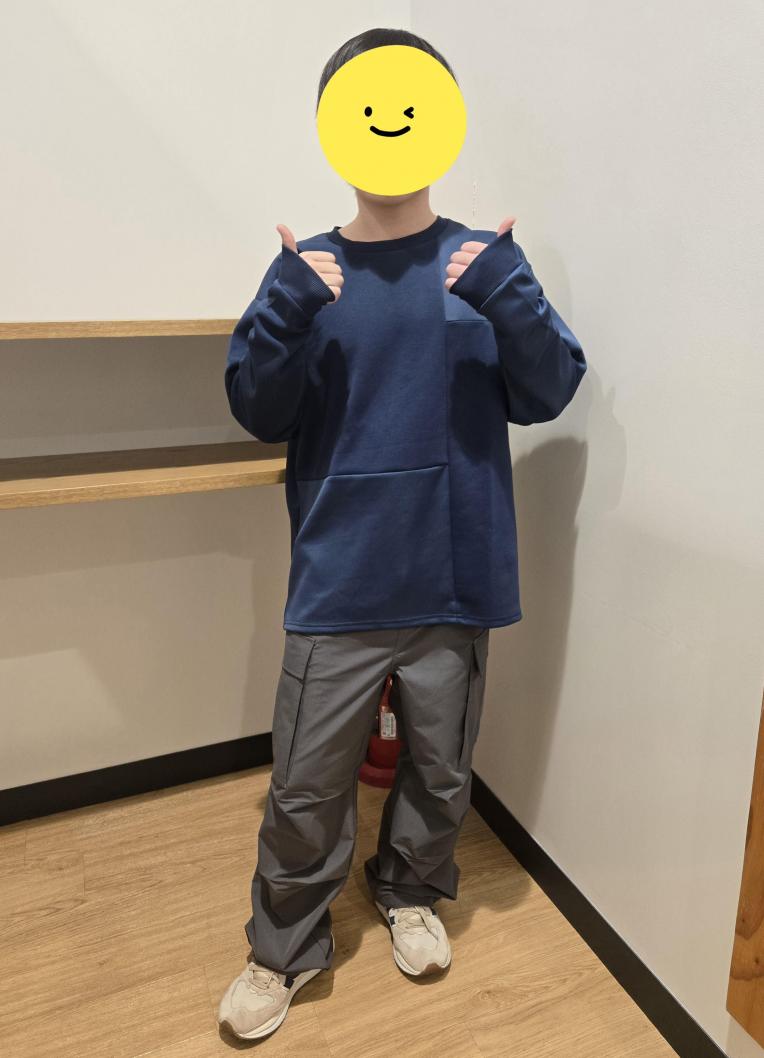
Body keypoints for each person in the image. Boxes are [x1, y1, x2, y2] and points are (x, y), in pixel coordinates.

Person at [217, 26, 587, 1042]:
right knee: (306, 781)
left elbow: (549, 389)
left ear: (441, 119)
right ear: (338, 126)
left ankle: (411, 888)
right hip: (341, 575)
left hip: (455, 569)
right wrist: (285, 307)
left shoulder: (482, 263)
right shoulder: (307, 270)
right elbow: (256, 406)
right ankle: (283, 946)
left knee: (440, 765)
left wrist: (507, 293)